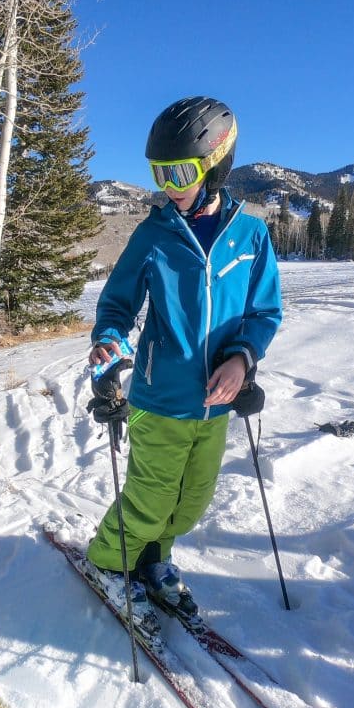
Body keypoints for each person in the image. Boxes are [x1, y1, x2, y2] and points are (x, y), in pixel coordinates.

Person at [85, 96, 283, 637]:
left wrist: (243, 360)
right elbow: (117, 305)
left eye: (180, 171)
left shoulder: (252, 236)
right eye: (159, 172)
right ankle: (107, 561)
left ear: (216, 164)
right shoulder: (154, 234)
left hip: (215, 406)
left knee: (189, 504)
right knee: (149, 498)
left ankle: (153, 558)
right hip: (160, 396)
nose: (169, 184)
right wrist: (107, 340)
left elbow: (265, 312)